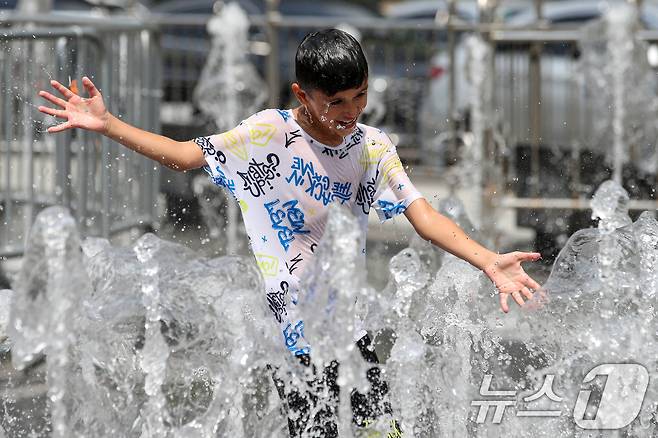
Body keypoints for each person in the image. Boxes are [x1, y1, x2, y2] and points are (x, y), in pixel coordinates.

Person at [38, 28, 541, 437]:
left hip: (346, 325)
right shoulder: (267, 133)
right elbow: (185, 154)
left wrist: (487, 260)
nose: (350, 111)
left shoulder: (373, 146)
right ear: (302, 94)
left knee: (384, 431)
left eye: (361, 96)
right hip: (288, 334)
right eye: (337, 100)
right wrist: (109, 126)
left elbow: (423, 215)